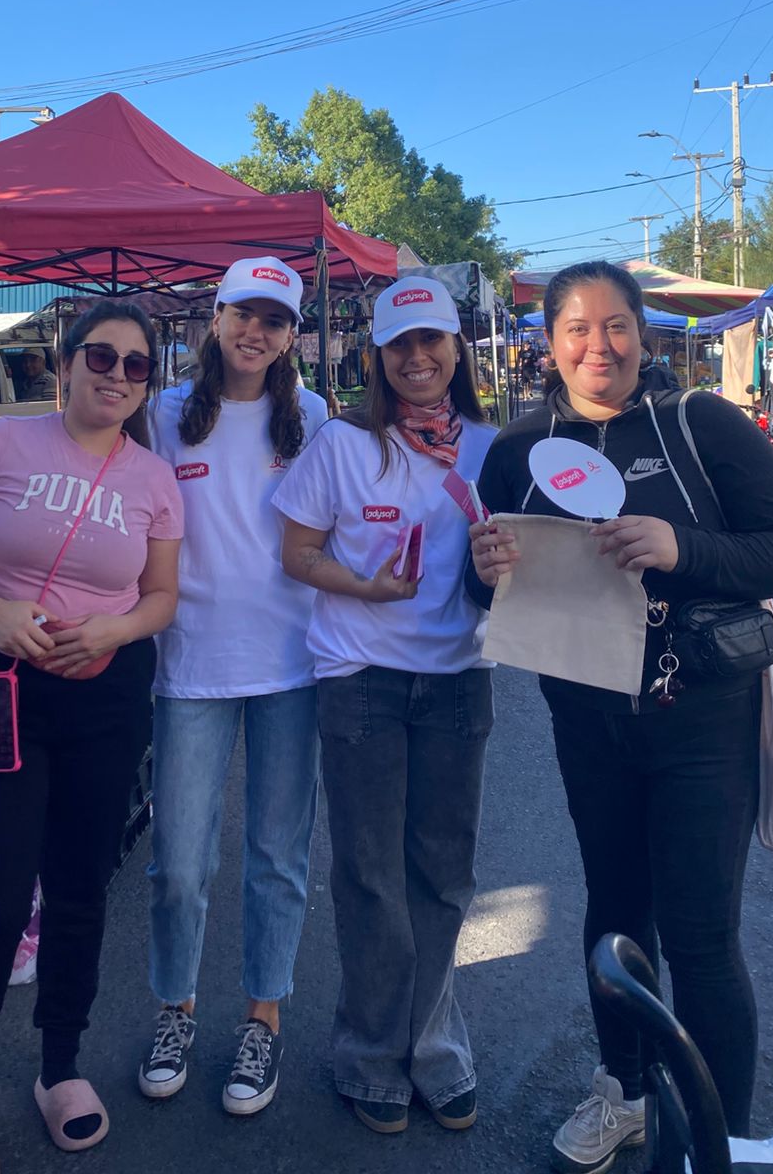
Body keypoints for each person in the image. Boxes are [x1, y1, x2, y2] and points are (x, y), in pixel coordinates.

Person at [465, 259, 773, 1174]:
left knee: (702, 937)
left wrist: (681, 548)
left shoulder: (702, 425)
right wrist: (486, 565)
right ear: (548, 345)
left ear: (642, 332)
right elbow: (487, 590)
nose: (598, 346)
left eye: (615, 325)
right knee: (614, 914)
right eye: (576, 329)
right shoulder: (517, 449)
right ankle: (621, 1092)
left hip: (704, 720)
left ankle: (719, 1142)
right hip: (589, 725)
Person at [0, 301, 183, 1174]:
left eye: (137, 366)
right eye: (101, 356)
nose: (116, 375)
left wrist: (113, 632)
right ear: (64, 363)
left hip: (102, 704)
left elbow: (162, 598)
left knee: (77, 890)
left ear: (148, 384)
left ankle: (60, 1064)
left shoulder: (154, 479)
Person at [273, 276, 495, 1136]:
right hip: (359, 678)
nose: (417, 359)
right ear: (376, 358)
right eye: (399, 346)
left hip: (457, 680)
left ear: (456, 349)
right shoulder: (341, 445)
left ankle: (436, 1050)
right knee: (370, 876)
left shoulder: (488, 447)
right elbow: (297, 553)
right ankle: (369, 1054)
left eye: (431, 340)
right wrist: (365, 588)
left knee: (443, 875)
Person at [139, 256, 328, 1116]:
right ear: (215, 318)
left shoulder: (315, 419)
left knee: (276, 860)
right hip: (190, 665)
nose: (256, 332)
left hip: (292, 664)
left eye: (275, 320)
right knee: (178, 864)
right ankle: (173, 1007)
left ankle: (263, 1017)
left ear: (292, 336)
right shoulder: (164, 415)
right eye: (243, 315)